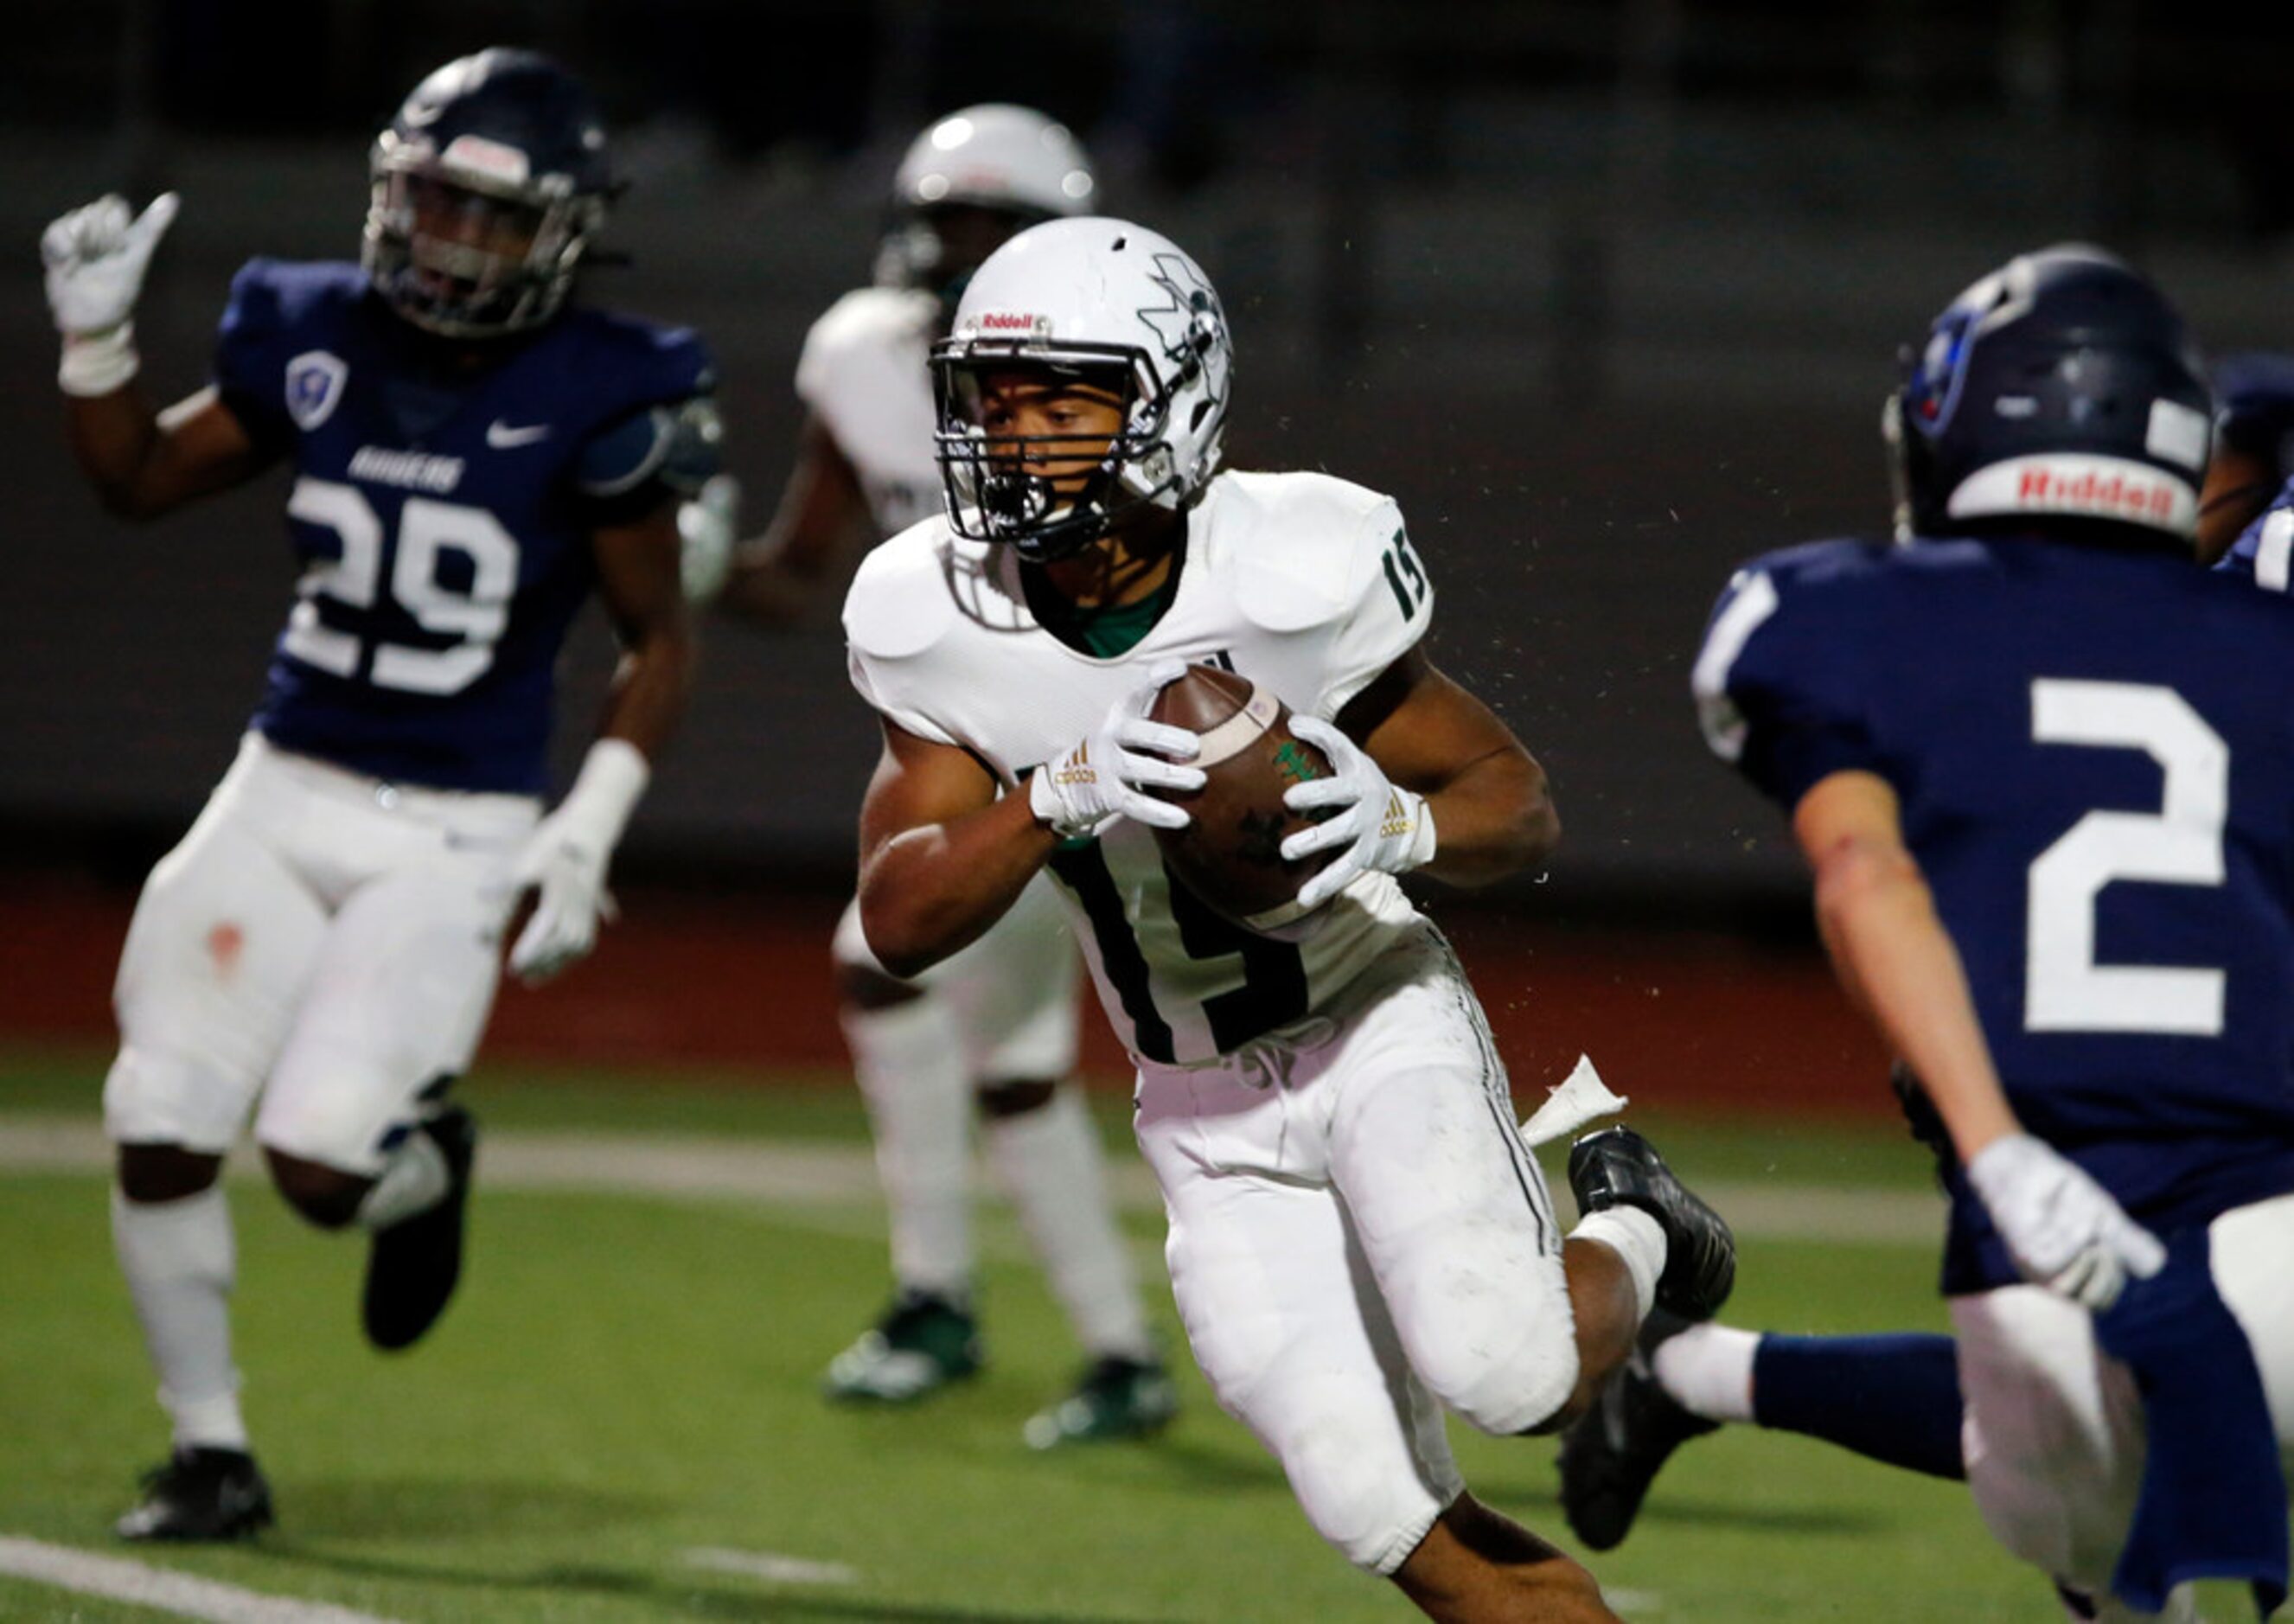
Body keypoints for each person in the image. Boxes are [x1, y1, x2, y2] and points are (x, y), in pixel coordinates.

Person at [840, 214, 1737, 1621]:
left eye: (1061, 399)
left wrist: (1403, 823)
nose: (1013, 440)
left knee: (1507, 1375)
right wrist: (1053, 793)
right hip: (1196, 1105)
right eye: (991, 400)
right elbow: (893, 917)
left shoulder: (1293, 565)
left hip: (1367, 1020)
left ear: (1172, 401)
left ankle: (1635, 1221)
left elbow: (1517, 800)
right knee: (1376, 1506)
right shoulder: (933, 609)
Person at [43, 48, 715, 1541]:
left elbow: (658, 637)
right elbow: (141, 482)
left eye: (489, 219)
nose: (447, 244)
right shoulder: (312, 326)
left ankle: (418, 1170)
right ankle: (209, 1448)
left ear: (557, 235)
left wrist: (584, 826)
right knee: (156, 1110)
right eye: (428, 205)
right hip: (281, 784)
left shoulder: (607, 386)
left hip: (453, 829)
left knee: (320, 1163)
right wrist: (95, 346)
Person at [1562, 342, 2294, 1558]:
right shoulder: (2231, 582)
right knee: (2129, 1410)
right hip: (2152, 1041)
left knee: (2141, 1402)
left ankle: (1693, 1370)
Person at [684, 105, 1175, 1445]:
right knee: (1002, 1056)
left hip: (1081, 754)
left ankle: (950, 1300)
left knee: (901, 974)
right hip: (964, 760)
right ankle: (1098, 1342)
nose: (964, 255)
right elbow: (800, 566)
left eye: (993, 232)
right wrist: (685, 562)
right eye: (949, 226)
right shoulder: (859, 356)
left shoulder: (1106, 372)